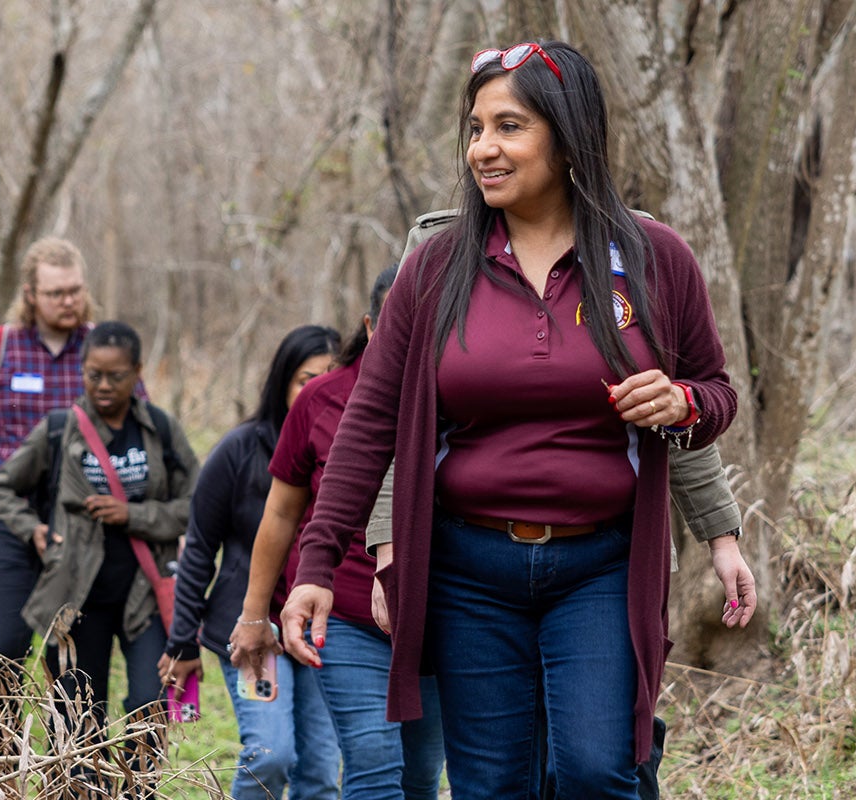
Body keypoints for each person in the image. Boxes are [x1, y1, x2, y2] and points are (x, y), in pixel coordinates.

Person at [282, 41, 758, 798]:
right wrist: (316, 565)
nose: (484, 149)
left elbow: (715, 392)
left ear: (567, 135)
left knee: (597, 770)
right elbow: (370, 424)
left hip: (600, 566)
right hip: (469, 571)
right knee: (490, 784)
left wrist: (685, 404)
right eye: (475, 129)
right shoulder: (436, 266)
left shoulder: (652, 256)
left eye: (509, 126)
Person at [229, 268, 446, 800]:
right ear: (373, 326)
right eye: (401, 322)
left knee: (420, 775)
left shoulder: (465, 397)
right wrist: (255, 616)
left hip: (439, 616)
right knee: (374, 764)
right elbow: (279, 515)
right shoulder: (322, 399)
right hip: (345, 617)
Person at [0, 237, 137, 760]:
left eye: (74, 290)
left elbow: (142, 430)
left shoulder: (104, 348)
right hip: (6, 516)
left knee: (70, 651)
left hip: (82, 524)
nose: (67, 301)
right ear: (31, 293)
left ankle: (68, 765)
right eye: (55, 293)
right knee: (4, 641)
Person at [0, 321, 196, 796]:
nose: (103, 386)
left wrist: (134, 514)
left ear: (137, 373)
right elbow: (1, 486)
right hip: (77, 600)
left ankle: (137, 790)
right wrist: (33, 530)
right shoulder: (60, 429)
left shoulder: (159, 429)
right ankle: (80, 790)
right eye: (94, 374)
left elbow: (195, 505)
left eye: (116, 376)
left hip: (145, 594)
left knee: (148, 705)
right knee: (79, 716)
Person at [160, 324, 343, 800]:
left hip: (324, 627)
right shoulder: (239, 450)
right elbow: (199, 547)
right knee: (271, 755)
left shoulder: (349, 451)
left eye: (330, 376)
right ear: (282, 381)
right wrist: (183, 642)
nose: (318, 388)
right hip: (253, 630)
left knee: (321, 772)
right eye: (306, 378)